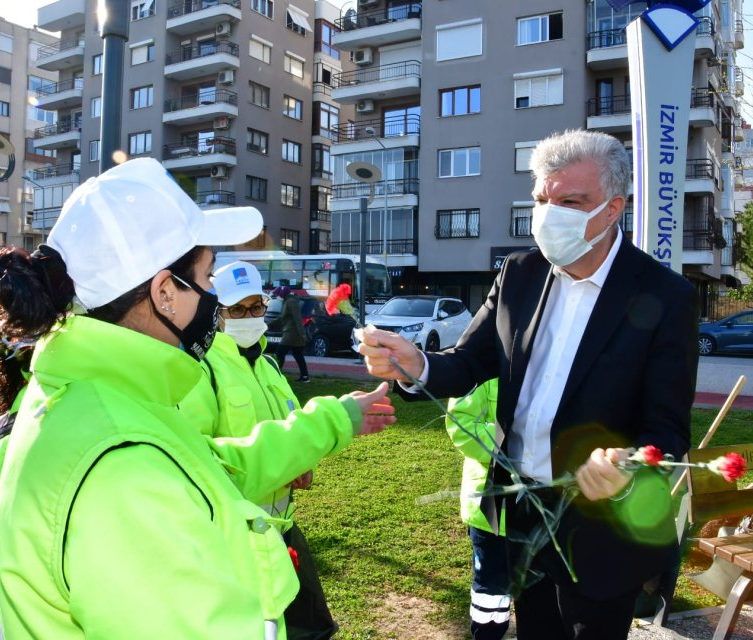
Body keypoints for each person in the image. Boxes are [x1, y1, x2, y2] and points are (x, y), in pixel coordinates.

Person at [0, 157, 395, 639]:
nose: (213, 298)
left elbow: (212, 468)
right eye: (206, 278)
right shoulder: (125, 470)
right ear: (165, 292)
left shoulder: (93, 402)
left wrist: (335, 420)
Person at [359, 129, 699, 639]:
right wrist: (419, 365)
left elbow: (668, 429)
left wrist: (629, 464)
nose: (549, 214)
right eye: (542, 199)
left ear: (613, 209)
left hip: (604, 531)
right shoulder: (519, 273)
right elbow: (468, 361)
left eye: (570, 202)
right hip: (522, 514)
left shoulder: (665, 295)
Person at [203, 260, 337, 639]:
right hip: (237, 543)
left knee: (313, 630)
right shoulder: (203, 371)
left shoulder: (269, 367)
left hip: (284, 530)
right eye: (237, 310)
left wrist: (302, 464)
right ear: (218, 314)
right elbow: (202, 461)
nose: (249, 317)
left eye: (255, 307)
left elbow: (292, 427)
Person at [446, 379, 512, 640]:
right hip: (491, 511)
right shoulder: (483, 366)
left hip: (541, 510)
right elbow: (461, 426)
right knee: (492, 594)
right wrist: (516, 441)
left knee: (540, 592)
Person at [274, 285, 311, 382]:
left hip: (291, 333)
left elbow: (297, 319)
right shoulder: (288, 301)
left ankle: (276, 375)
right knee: (298, 354)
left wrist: (302, 334)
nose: (277, 296)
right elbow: (282, 318)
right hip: (293, 333)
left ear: (282, 294)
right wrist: (268, 325)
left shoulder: (290, 302)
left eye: (277, 294)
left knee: (280, 353)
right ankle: (305, 376)